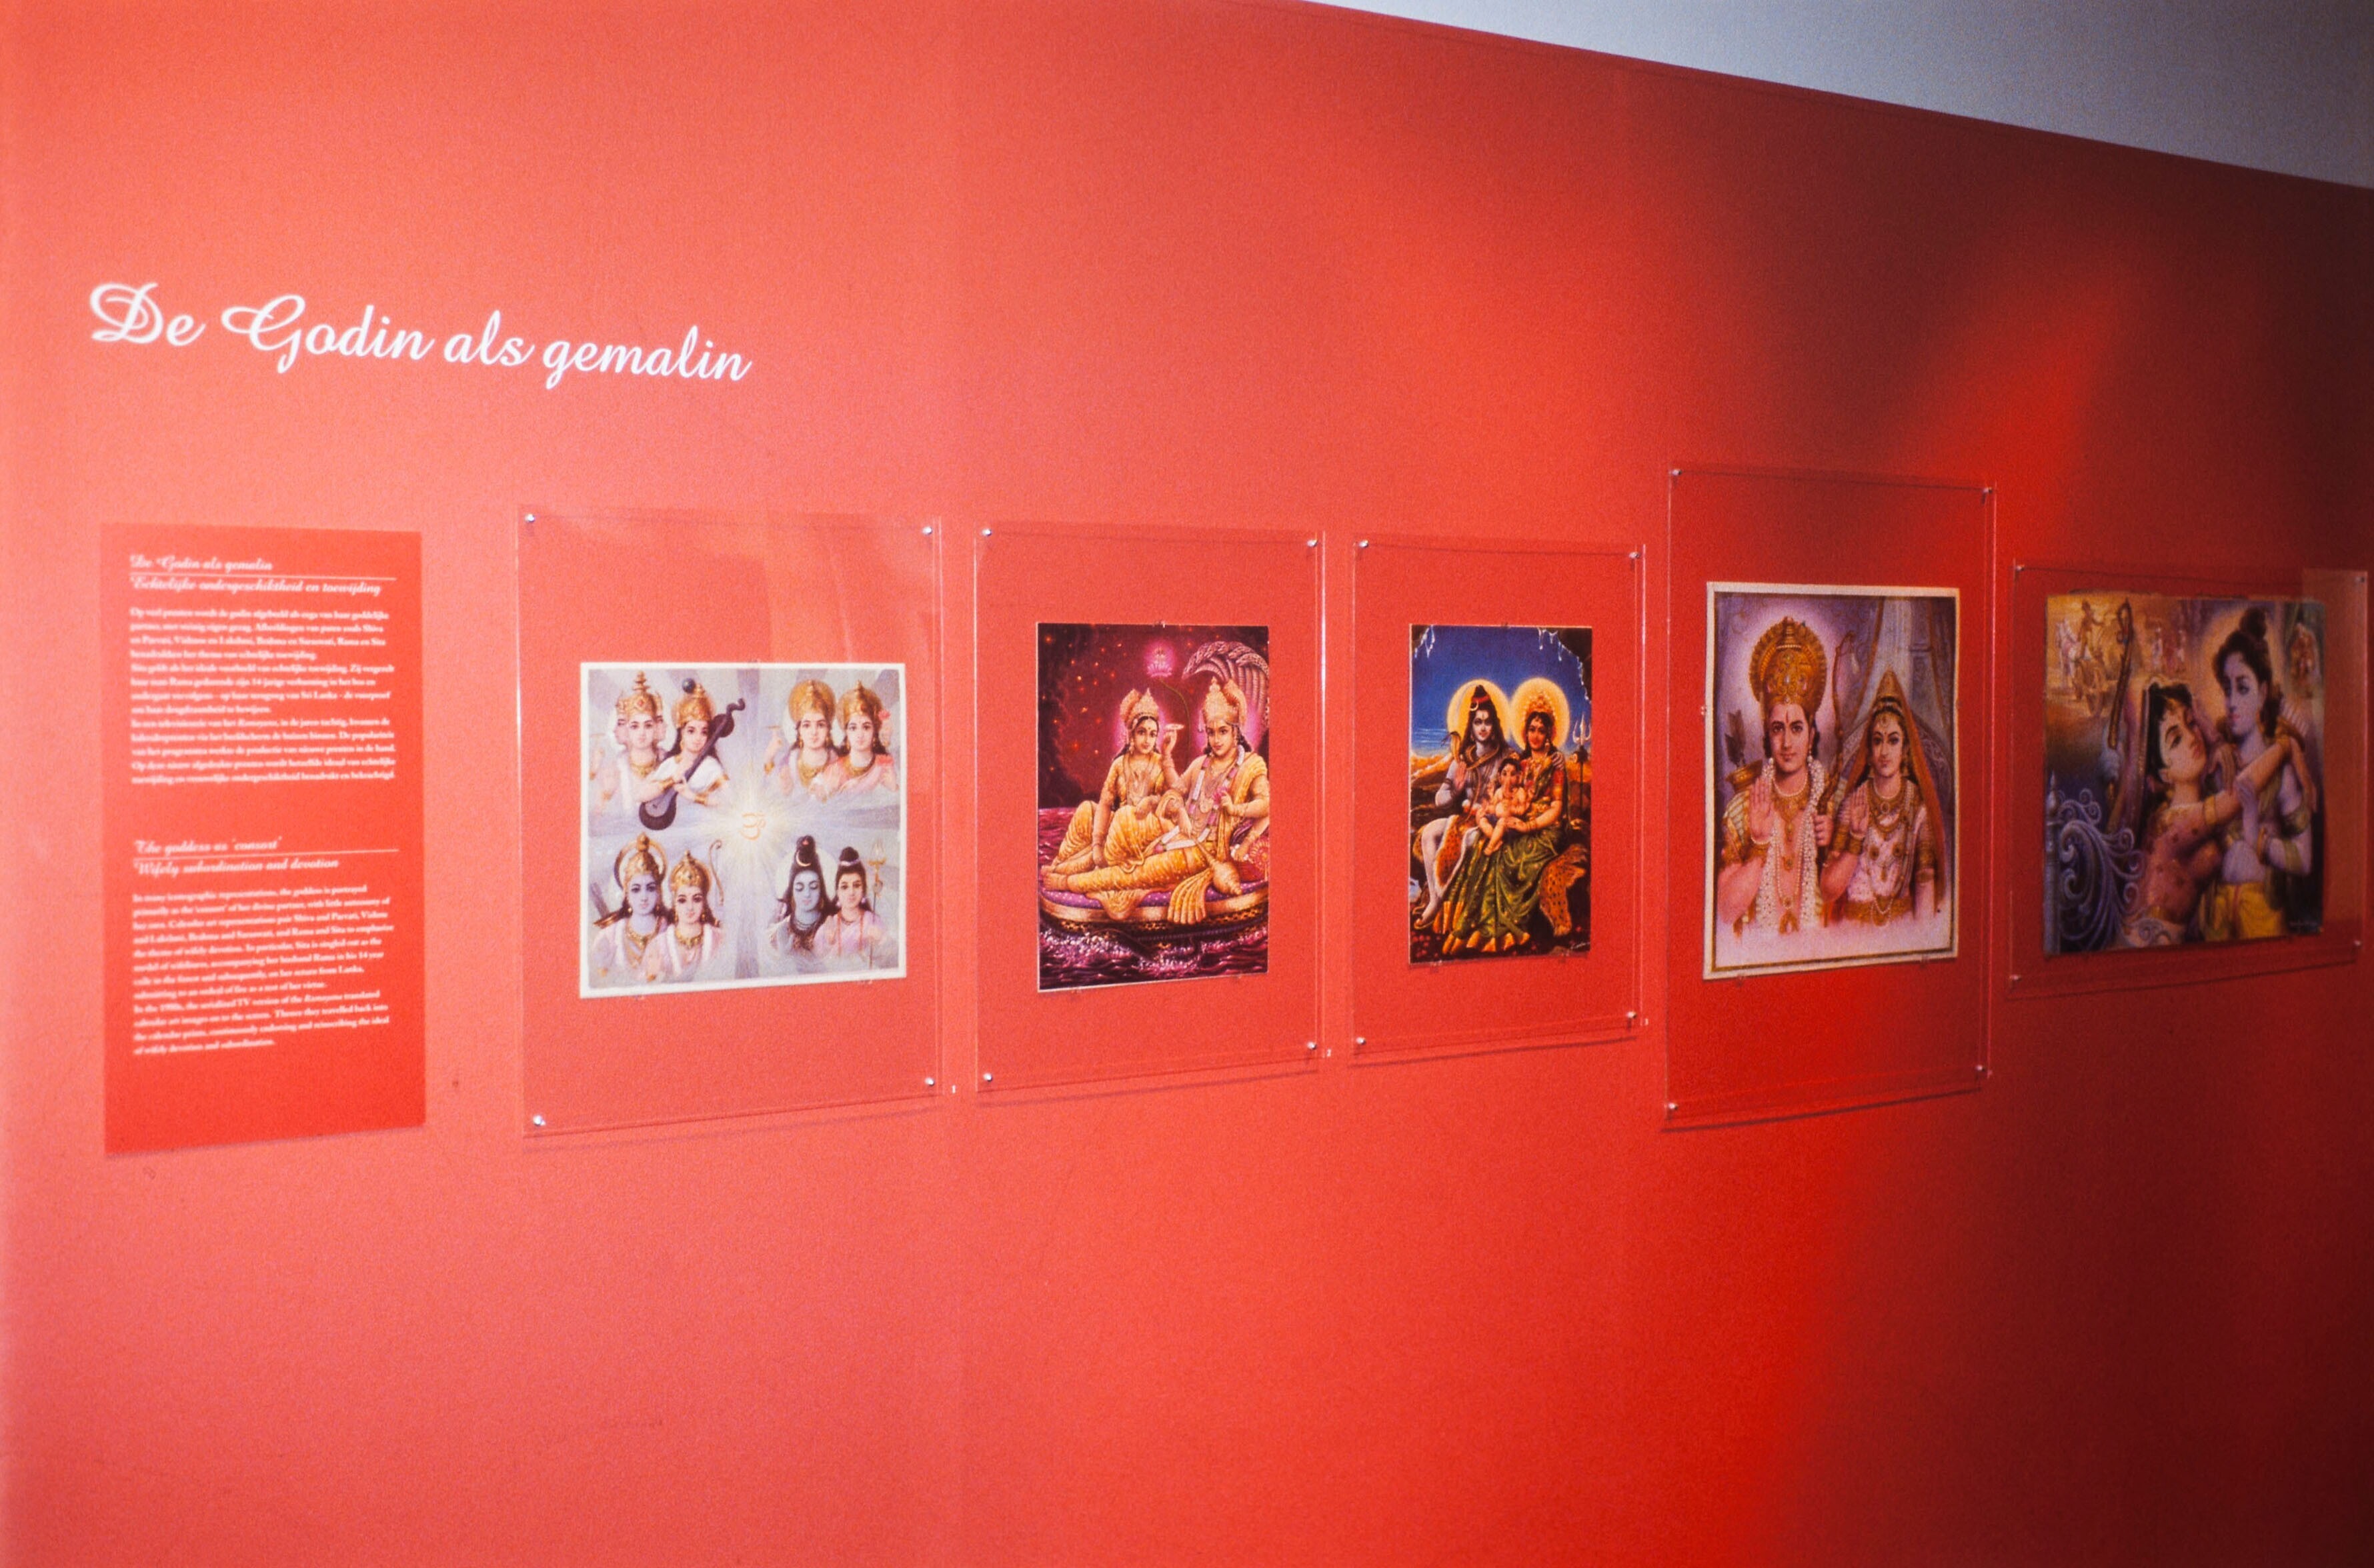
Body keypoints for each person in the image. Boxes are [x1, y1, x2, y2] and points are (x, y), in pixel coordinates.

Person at [2119, 681, 2307, 947]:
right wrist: (2285, 746)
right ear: (2164, 775)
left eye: (2191, 723)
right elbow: (2240, 794)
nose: (2192, 737)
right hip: (2138, 954)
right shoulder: (2172, 822)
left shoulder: (2204, 803)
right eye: (2176, 740)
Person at [2200, 608, 2315, 941]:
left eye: (2243, 688)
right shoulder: (2219, 761)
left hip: (2263, 916)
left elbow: (2305, 859)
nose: (2231, 702)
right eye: (2227, 689)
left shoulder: (2281, 770)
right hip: (2218, 916)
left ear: (2263, 693)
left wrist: (2256, 839)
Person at [1715, 617, 1835, 937]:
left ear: (1812, 735)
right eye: (1778, 729)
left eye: (1796, 728)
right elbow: (1726, 911)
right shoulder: (1742, 809)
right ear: (1767, 737)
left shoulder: (1833, 802)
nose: (1787, 743)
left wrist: (1836, 846)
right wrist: (1758, 844)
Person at [1424, 695, 1568, 955]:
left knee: (1507, 856)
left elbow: (1556, 808)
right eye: (1532, 729)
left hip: (1540, 827)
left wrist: (1528, 825)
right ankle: (1446, 907)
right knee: (1490, 850)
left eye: (1541, 730)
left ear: (1549, 734)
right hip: (1509, 821)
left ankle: (1498, 926)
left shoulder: (1553, 763)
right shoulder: (1519, 763)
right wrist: (1470, 798)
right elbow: (1494, 793)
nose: (1535, 736)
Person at [1819, 671, 1945, 927]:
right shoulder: (1853, 803)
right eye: (1877, 741)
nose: (1885, 751)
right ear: (1869, 750)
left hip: (1902, 930)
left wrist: (1921, 938)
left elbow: (1925, 883)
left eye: (1893, 741)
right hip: (1854, 930)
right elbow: (1828, 890)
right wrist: (1855, 839)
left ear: (1905, 750)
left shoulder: (1917, 806)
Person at [1045, 690, 1186, 877]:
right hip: (1121, 825)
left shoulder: (1161, 762)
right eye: (1142, 733)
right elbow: (1105, 803)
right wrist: (1097, 844)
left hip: (1148, 826)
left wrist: (1166, 758)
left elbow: (1179, 791)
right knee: (1086, 809)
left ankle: (1066, 871)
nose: (1147, 740)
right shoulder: (1120, 764)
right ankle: (1062, 862)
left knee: (1124, 816)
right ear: (1131, 735)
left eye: (1153, 734)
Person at [1414, 683, 1514, 925]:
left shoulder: (1506, 756)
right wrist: (1456, 790)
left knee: (1468, 841)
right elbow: (1439, 799)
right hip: (1465, 818)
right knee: (1429, 833)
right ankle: (1436, 900)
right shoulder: (1463, 760)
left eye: (1487, 722)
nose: (1483, 727)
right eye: (1478, 722)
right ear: (1471, 726)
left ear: (1494, 725)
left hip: (1491, 822)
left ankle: (1448, 902)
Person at [1173, 677, 1271, 858]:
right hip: (1182, 838)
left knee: (1147, 868)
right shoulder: (1199, 765)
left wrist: (1235, 809)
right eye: (1211, 733)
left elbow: (1267, 805)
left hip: (1209, 852)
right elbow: (1174, 792)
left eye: (1223, 732)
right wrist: (1181, 811)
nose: (1216, 740)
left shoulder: (1250, 765)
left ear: (1236, 732)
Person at [589, 672, 676, 817]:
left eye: (648, 726)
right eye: (635, 726)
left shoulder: (670, 763)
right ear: (627, 729)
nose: (642, 733)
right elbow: (597, 815)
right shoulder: (614, 769)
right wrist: (603, 790)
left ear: (656, 728)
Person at [589, 833, 668, 984]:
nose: (644, 897)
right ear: (627, 894)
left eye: (650, 888)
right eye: (636, 890)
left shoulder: (669, 931)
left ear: (658, 892)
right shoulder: (610, 936)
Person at [644, 845, 724, 981]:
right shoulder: (658, 946)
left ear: (704, 902)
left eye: (696, 899)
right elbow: (650, 987)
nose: (690, 907)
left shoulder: (719, 939)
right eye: (682, 900)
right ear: (674, 903)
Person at [648, 679, 728, 809]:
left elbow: (730, 800)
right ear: (682, 733)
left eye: (704, 732)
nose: (698, 738)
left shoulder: (710, 766)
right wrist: (673, 779)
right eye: (691, 731)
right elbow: (642, 795)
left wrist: (693, 797)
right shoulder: (671, 764)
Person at [818, 683, 898, 799]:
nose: (860, 735)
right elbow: (822, 804)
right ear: (846, 731)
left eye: (866, 727)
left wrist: (894, 788)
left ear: (874, 730)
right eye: (853, 728)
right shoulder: (834, 770)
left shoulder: (883, 767)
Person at [764, 678, 839, 800]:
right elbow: (774, 792)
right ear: (799, 730)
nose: (814, 732)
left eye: (820, 725)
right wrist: (769, 759)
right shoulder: (792, 761)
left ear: (828, 729)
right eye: (807, 725)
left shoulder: (837, 761)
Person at [817, 847, 888, 965]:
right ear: (838, 891)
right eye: (845, 887)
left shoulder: (873, 921)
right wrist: (829, 943)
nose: (851, 892)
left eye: (857, 886)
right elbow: (816, 964)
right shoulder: (829, 925)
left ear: (863, 889)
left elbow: (888, 961)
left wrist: (881, 941)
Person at [769, 835, 830, 957]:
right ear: (792, 892)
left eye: (813, 887)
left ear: (821, 889)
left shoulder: (830, 926)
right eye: (799, 888)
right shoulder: (783, 929)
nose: (807, 894)